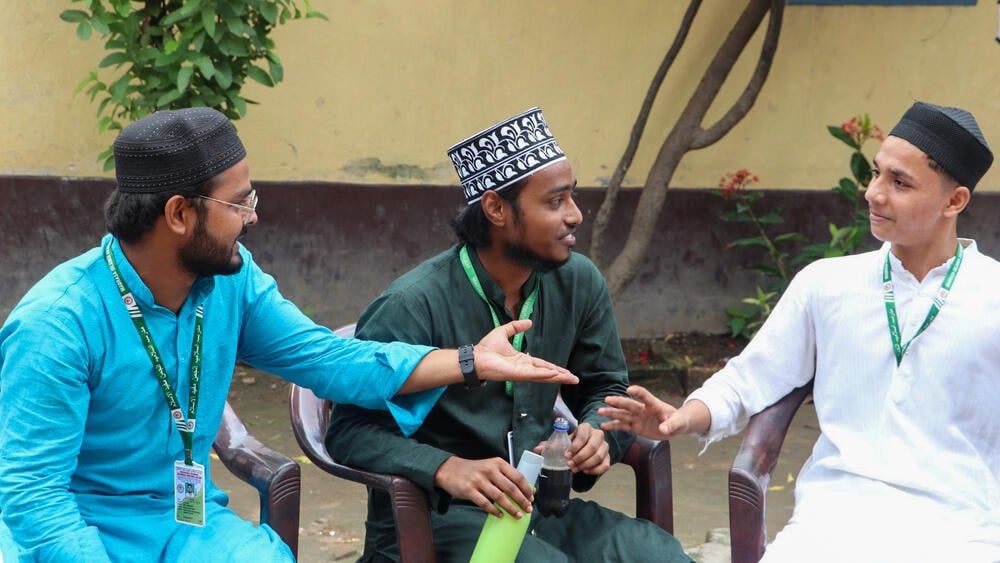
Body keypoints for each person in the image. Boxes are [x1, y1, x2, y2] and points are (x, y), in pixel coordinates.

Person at [0, 107, 577, 562]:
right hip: (80, 528)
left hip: (183, 520)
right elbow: (35, 497)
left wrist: (472, 360)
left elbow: (329, 360)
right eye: (238, 201)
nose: (252, 216)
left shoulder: (232, 281)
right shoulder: (59, 323)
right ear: (178, 213)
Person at [600, 101, 1000, 562]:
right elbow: (751, 376)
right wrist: (681, 418)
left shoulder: (991, 296)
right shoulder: (827, 284)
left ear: (955, 201)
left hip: (961, 528)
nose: (873, 193)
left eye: (899, 182)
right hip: (833, 519)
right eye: (875, 174)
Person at [326, 107, 691, 562]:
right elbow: (349, 431)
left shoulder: (578, 282)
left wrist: (597, 435)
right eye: (555, 202)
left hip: (533, 509)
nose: (576, 215)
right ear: (496, 208)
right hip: (433, 518)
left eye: (573, 198)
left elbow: (605, 387)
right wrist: (446, 468)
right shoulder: (412, 304)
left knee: (657, 555)